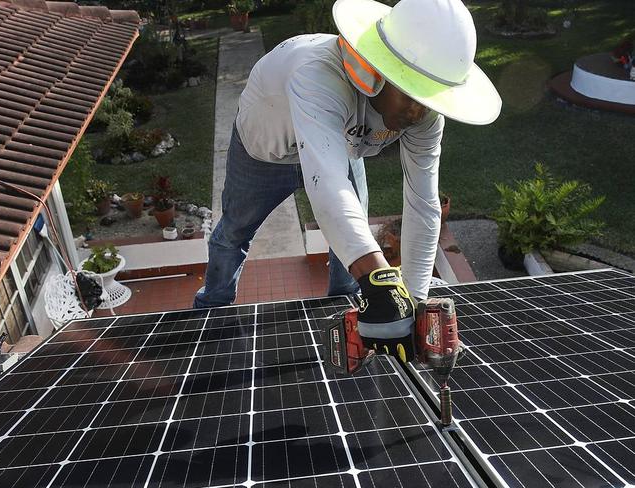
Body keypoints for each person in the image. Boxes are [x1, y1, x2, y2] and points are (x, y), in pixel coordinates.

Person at [194, 0, 501, 360]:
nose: (419, 111)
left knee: (353, 239)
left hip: (339, 151)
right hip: (265, 154)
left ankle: (345, 305)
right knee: (233, 232)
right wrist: (380, 282)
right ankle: (211, 310)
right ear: (378, 71)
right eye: (413, 94)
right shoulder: (317, 72)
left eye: (430, 99)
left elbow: (423, 202)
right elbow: (327, 183)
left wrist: (414, 303)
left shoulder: (423, 116)